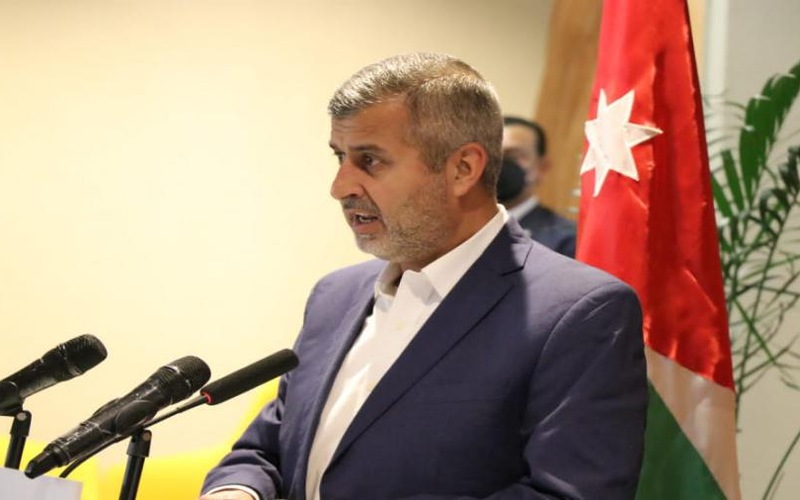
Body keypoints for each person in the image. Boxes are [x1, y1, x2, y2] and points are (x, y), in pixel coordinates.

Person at [200, 52, 647, 500]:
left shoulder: (581, 312)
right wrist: (238, 490)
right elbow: (268, 446)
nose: (340, 187)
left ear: (463, 169)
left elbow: (568, 493)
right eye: (339, 157)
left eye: (370, 160)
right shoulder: (333, 295)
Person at [498, 116, 576, 257]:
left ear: (542, 168)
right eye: (491, 155)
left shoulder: (565, 240)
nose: (499, 164)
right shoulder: (461, 227)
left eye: (513, 156)